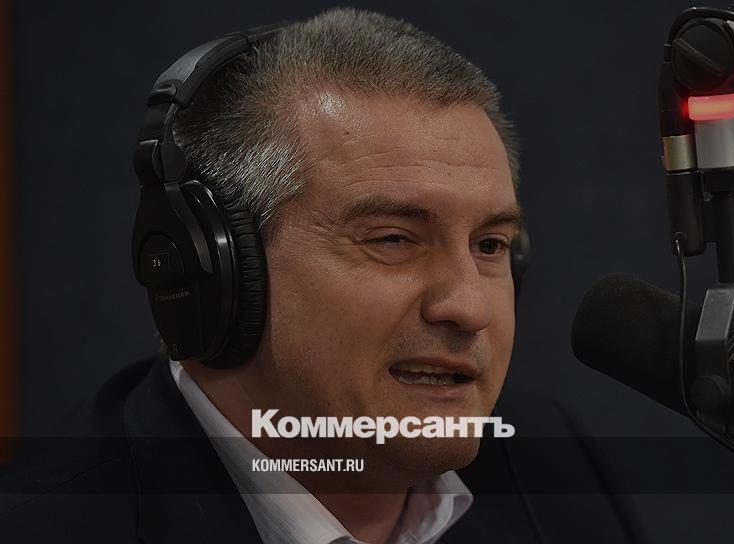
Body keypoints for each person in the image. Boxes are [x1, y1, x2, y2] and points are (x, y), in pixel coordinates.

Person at [0, 8, 646, 543]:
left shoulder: (553, 471)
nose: (469, 306)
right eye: (393, 239)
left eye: (490, 245)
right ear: (216, 270)